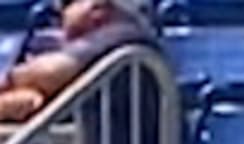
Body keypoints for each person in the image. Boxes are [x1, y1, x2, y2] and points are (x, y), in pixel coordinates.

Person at [0, 0, 155, 124]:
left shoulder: (124, 34)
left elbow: (49, 73)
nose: (61, 14)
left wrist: (9, 81)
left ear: (98, 8)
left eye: (67, 3)